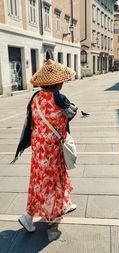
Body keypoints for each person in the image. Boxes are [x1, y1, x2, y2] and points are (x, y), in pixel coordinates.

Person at [12, 59, 78, 232]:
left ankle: (50, 209)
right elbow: (71, 113)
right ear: (57, 82)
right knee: (54, 180)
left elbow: (31, 121)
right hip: (53, 148)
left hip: (39, 146)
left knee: (38, 180)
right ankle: (49, 215)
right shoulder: (59, 98)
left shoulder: (35, 98)